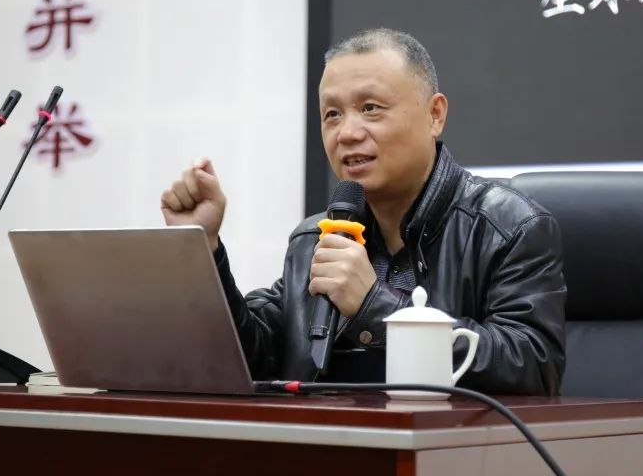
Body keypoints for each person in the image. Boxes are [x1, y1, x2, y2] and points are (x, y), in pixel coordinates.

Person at [161, 28, 566, 394]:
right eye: (332, 114)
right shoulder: (315, 238)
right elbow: (250, 355)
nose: (347, 133)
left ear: (435, 115)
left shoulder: (507, 227)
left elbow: (534, 366)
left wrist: (373, 305)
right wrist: (201, 247)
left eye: (370, 108)